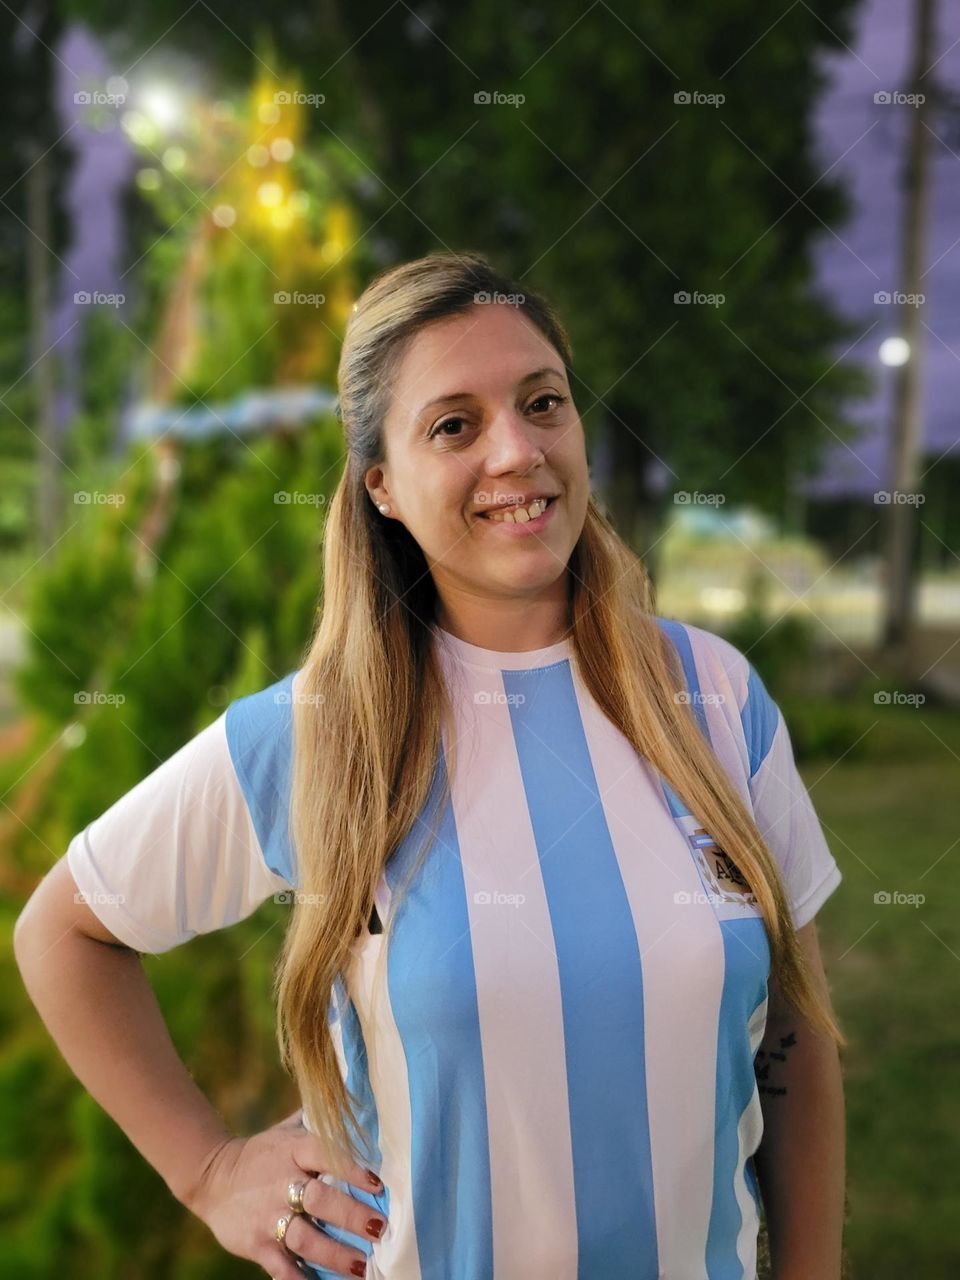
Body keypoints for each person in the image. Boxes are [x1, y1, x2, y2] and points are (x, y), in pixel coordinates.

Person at [14, 251, 846, 1280]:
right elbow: (63, 928)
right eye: (454, 424)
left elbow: (794, 1040)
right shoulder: (318, 733)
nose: (517, 451)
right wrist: (209, 1168)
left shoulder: (714, 695)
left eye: (543, 403)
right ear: (384, 487)